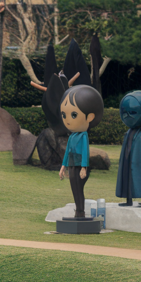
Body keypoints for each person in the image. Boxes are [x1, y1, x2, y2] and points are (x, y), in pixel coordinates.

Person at [58, 84, 104, 218]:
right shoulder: (72, 136)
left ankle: (80, 211)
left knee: (79, 188)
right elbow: (67, 152)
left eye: (73, 115)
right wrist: (63, 166)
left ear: (89, 117)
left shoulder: (83, 135)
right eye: (64, 115)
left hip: (79, 166)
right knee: (74, 187)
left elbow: (85, 152)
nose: (67, 120)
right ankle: (78, 211)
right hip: (72, 165)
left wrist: (84, 167)